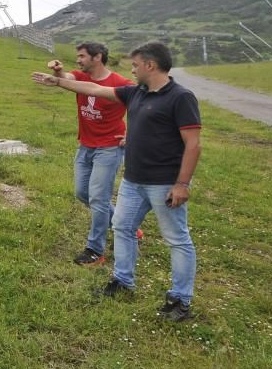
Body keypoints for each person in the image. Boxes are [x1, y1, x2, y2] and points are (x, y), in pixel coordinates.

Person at [32, 41, 202, 322]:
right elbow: (95, 89)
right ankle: (123, 281)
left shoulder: (181, 97)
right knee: (122, 228)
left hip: (163, 183)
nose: (132, 70)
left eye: (135, 65)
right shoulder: (136, 93)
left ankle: (180, 300)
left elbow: (193, 144)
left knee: (177, 239)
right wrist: (59, 82)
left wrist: (182, 184)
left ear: (151, 65)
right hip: (133, 181)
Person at [47, 42, 133, 267]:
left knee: (98, 199)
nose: (78, 60)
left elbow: (140, 105)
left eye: (82, 56)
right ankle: (124, 224)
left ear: (98, 57)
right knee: (82, 193)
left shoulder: (121, 83)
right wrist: (58, 72)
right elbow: (67, 77)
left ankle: (96, 250)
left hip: (109, 148)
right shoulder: (79, 76)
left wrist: (132, 134)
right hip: (85, 145)